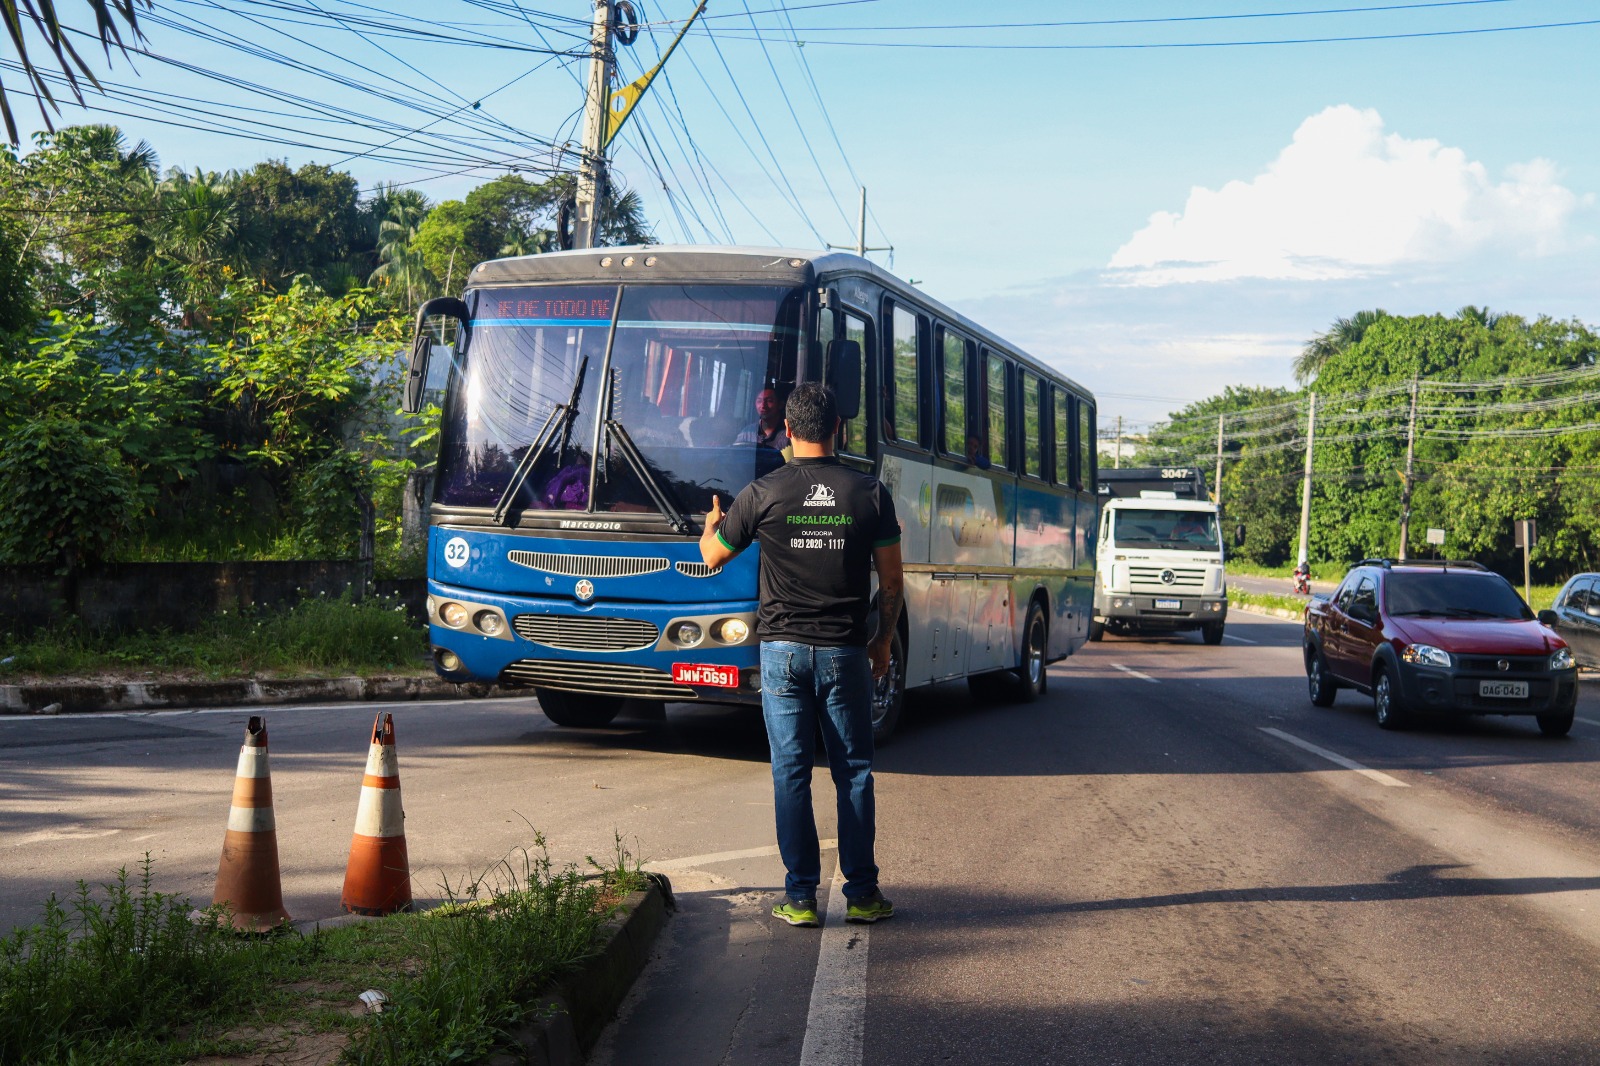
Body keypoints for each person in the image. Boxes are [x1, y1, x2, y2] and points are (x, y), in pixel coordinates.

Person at [700, 382, 904, 928]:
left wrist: (709, 529)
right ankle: (862, 895)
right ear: (838, 428)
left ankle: (801, 898)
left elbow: (715, 557)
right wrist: (881, 641)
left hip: (782, 652)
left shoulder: (763, 491)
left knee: (791, 772)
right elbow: (891, 581)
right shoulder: (870, 494)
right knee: (854, 772)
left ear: (787, 431)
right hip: (843, 650)